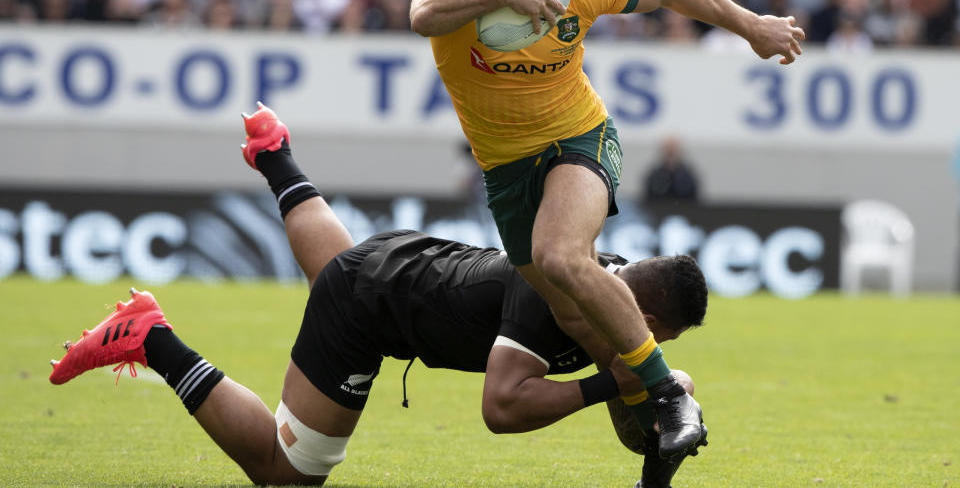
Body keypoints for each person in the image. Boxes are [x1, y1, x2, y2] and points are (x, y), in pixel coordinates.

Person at [49, 104, 708, 487]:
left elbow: (636, 428)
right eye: (659, 339)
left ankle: (275, 155)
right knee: (285, 473)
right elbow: (502, 407)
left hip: (399, 260)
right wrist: (615, 386)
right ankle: (151, 338)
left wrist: (654, 420)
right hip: (368, 312)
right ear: (645, 316)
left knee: (343, 265)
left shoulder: (603, 284)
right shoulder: (556, 292)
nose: (652, 350)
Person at [409, 0, 805, 454]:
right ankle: (662, 436)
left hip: (581, 138)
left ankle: (668, 392)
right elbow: (423, 12)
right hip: (507, 172)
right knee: (574, 318)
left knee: (560, 254)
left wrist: (752, 27)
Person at [644, 136, 700, 202]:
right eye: (668, 150)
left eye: (673, 150)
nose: (671, 152)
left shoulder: (688, 175)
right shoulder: (654, 176)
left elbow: (694, 199)